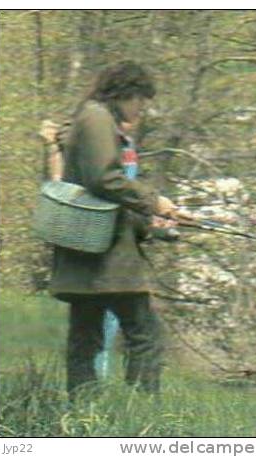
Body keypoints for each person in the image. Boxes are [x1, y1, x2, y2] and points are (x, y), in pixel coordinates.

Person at [48, 61, 176, 398]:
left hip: (91, 255)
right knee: (145, 335)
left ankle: (84, 414)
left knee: (84, 338)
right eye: (139, 99)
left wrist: (151, 223)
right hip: (105, 261)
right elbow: (104, 180)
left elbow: (101, 192)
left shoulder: (90, 117)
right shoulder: (97, 118)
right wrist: (154, 200)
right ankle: (140, 418)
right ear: (123, 92)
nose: (141, 108)